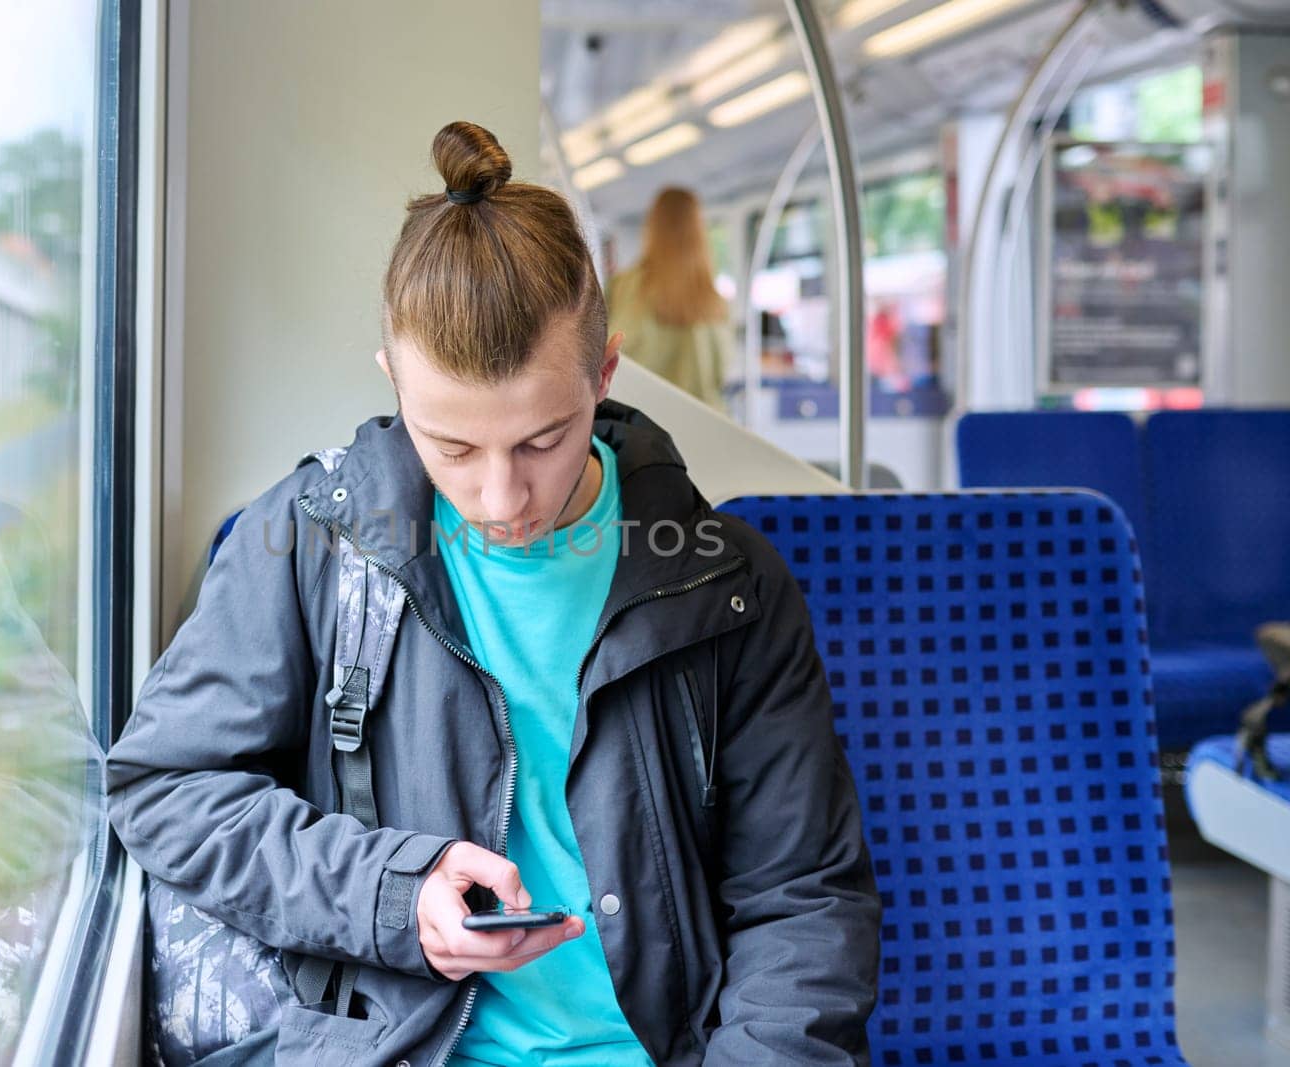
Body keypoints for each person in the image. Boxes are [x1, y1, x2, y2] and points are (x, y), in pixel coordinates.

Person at [106, 121, 880, 1066]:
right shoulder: (310, 543)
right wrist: (394, 892)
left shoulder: (729, 583)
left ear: (604, 376)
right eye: (454, 448)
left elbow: (801, 897)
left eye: (543, 439)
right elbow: (164, 787)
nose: (501, 497)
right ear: (394, 383)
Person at [605, 187, 736, 410]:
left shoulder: (626, 286)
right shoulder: (715, 301)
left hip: (643, 422)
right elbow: (723, 372)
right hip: (707, 425)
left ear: (652, 228)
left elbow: (612, 354)